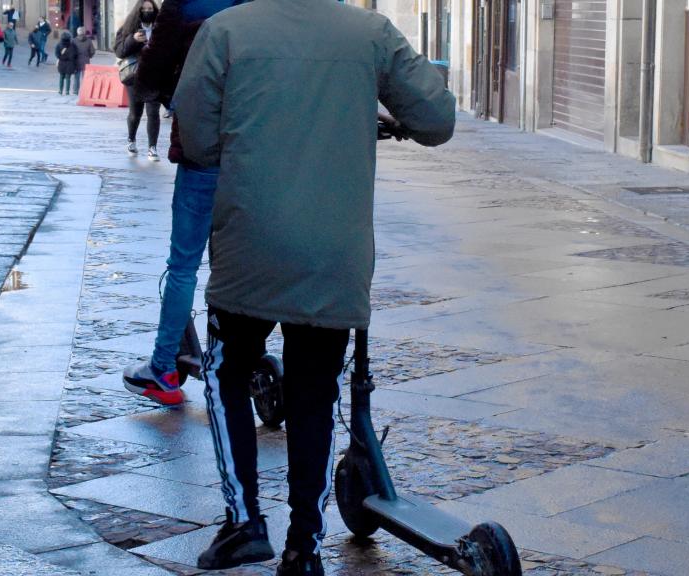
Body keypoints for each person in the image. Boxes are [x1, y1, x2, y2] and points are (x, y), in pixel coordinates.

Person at [172, 0, 455, 572]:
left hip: (251, 243)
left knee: (227, 373)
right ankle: (306, 546)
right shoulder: (371, 32)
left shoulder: (225, 31)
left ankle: (244, 520)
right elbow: (436, 119)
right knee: (315, 394)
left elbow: (197, 139)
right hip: (333, 254)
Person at [120, 0, 244, 404]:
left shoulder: (182, 4)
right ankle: (242, 358)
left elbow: (148, 78)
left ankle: (163, 369)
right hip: (256, 151)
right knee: (242, 262)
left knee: (184, 264)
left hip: (202, 148)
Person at [113, 0, 161, 160]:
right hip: (135, 76)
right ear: (138, 11)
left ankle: (152, 148)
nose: (147, 11)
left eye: (150, 8)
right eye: (144, 9)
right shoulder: (129, 28)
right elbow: (119, 51)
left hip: (154, 74)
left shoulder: (160, 27)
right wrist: (133, 39)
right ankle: (131, 140)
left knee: (153, 112)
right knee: (136, 112)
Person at [72, 26, 95, 94]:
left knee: (76, 77)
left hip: (76, 61)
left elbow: (71, 51)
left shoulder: (74, 40)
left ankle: (76, 91)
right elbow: (92, 51)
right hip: (86, 61)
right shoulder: (88, 41)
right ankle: (85, 91)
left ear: (77, 32)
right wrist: (89, 56)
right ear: (84, 32)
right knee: (85, 77)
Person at [55, 31, 78, 95]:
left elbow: (57, 54)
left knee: (61, 77)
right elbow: (75, 54)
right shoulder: (73, 45)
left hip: (61, 63)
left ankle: (60, 90)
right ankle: (67, 91)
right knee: (68, 78)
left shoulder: (59, 44)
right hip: (70, 64)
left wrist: (61, 57)